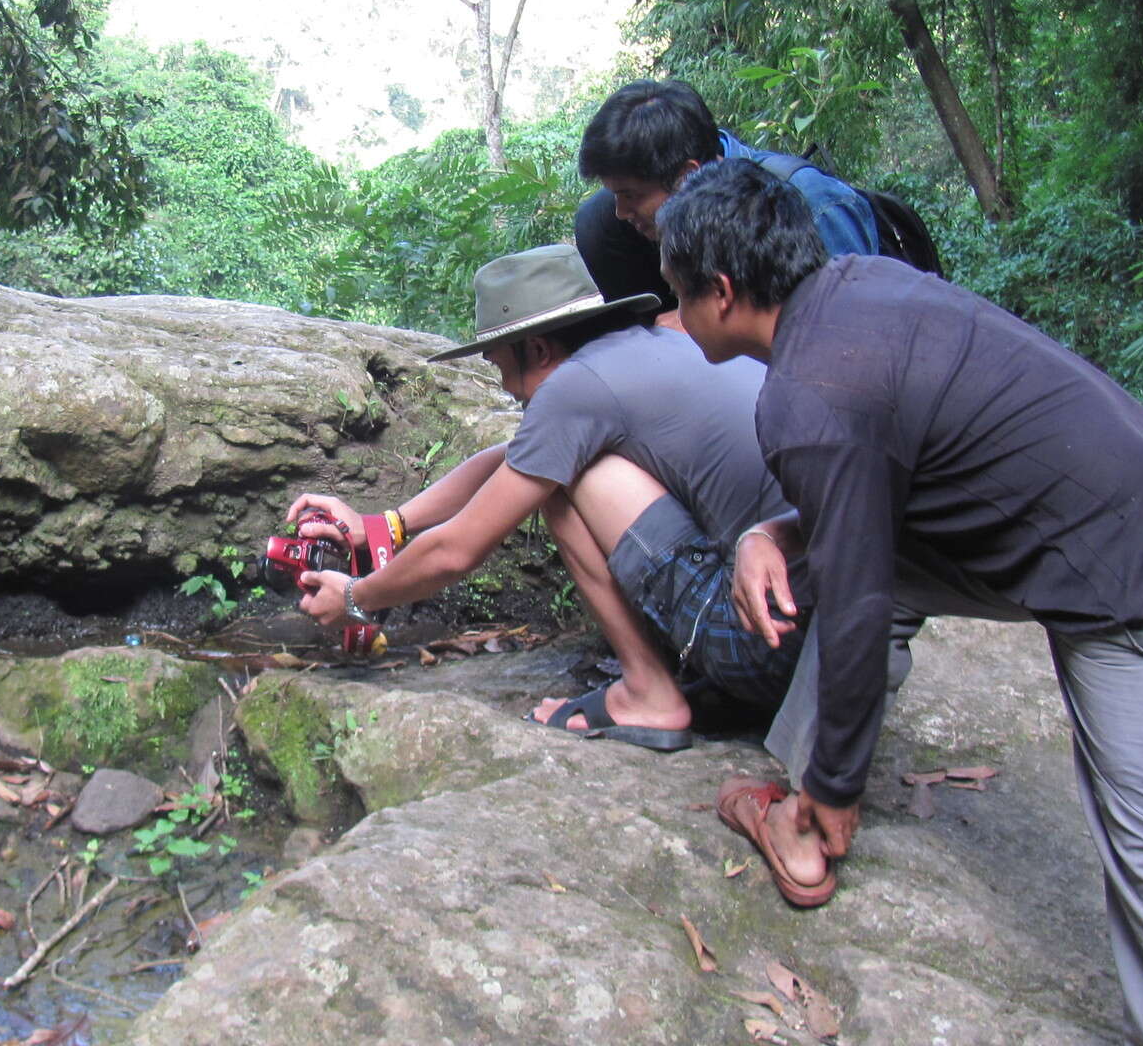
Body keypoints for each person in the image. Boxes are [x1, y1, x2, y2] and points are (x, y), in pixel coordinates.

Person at [654, 158, 1143, 1046]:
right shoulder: (851, 291)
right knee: (840, 575)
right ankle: (798, 805)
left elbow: (851, 597)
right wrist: (770, 530)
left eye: (670, 288)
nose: (666, 312)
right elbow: (865, 512)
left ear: (715, 286)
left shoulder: (806, 393)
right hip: (1059, 524)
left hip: (1124, 571)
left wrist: (843, 784)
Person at [288, 242, 803, 746]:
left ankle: (650, 693)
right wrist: (387, 524)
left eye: (497, 365)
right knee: (557, 464)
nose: (504, 385)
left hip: (760, 643)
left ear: (537, 348)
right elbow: (512, 459)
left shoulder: (575, 390)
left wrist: (355, 598)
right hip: (812, 647)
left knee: (559, 485)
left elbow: (455, 551)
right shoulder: (654, 346)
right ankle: (663, 680)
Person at [573, 78, 879, 311]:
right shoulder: (608, 229)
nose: (621, 212)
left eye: (631, 196)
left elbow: (857, 329)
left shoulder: (810, 203)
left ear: (688, 177)